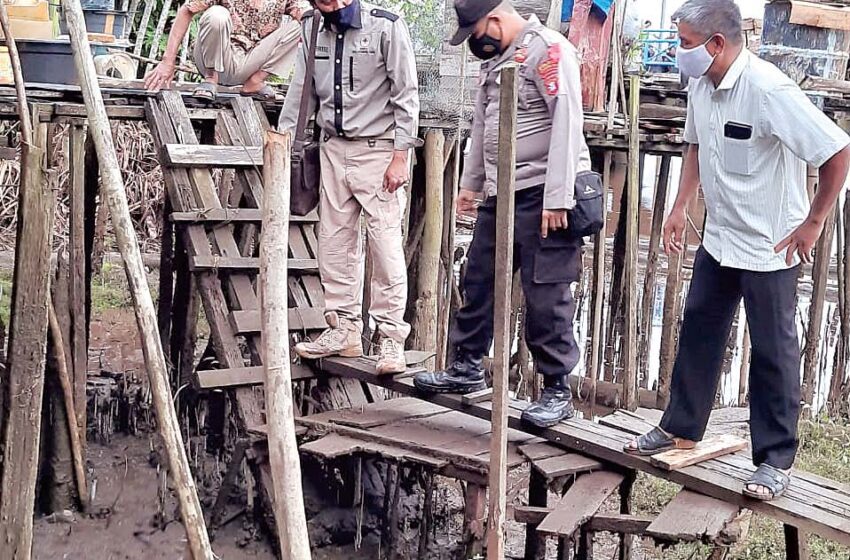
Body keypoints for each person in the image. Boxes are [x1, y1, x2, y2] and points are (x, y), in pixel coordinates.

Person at [625, 0, 850, 502]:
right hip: (721, 236)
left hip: (771, 245)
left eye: (684, 44)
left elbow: (837, 150)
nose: (679, 53)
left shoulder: (770, 91)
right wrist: (680, 205)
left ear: (717, 44)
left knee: (773, 351)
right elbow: (695, 145)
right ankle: (681, 425)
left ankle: (774, 460)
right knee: (699, 327)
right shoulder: (701, 86)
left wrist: (813, 221)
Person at [413, 0, 594, 429]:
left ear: (493, 20)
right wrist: (470, 185)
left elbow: (568, 121)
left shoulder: (549, 50)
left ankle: (556, 389)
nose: (475, 43)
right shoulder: (497, 61)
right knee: (477, 279)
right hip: (502, 191)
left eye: (475, 33)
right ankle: (467, 366)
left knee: (547, 294)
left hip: (545, 193)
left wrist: (557, 198)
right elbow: (482, 125)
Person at [279, 0, 421, 375]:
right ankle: (343, 328)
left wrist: (400, 156)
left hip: (378, 149)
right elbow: (300, 92)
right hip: (332, 148)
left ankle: (391, 339)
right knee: (334, 242)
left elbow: (406, 94)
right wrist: (281, 145)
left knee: (385, 244)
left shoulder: (387, 26)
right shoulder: (312, 26)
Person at [144, 0, 304, 101]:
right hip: (216, 56)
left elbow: (305, 12)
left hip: (251, 62)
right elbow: (186, 10)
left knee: (306, 23)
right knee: (217, 14)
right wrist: (167, 62)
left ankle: (254, 82)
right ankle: (210, 78)